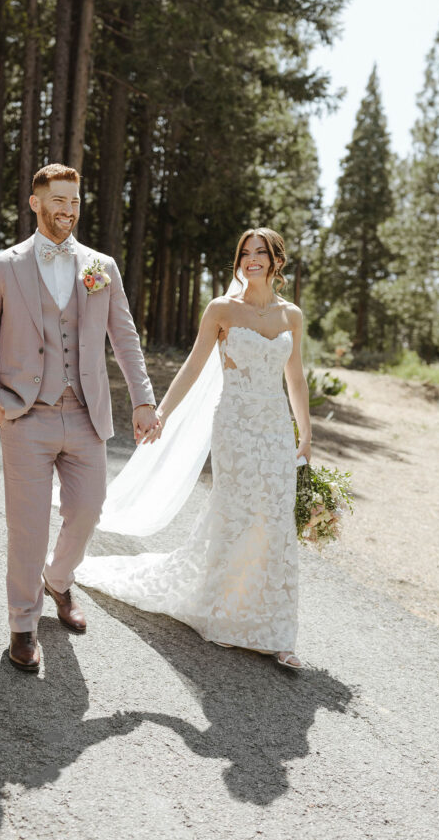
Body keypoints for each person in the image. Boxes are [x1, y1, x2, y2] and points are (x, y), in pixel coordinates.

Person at [77, 227, 311, 670]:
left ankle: (280, 634)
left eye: (261, 252)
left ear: (276, 261)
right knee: (237, 514)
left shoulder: (291, 316)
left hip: (277, 429)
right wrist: (160, 411)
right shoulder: (222, 309)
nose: (251, 259)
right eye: (245, 252)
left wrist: (306, 434)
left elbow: (295, 380)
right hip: (236, 427)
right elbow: (193, 364)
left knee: (276, 521)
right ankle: (223, 616)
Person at [0, 164, 160, 673]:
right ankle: (23, 625)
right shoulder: (3, 267)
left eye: (75, 201)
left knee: (89, 510)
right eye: (59, 200)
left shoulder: (101, 267)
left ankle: (59, 579)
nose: (68, 210)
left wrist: (143, 399)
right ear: (35, 203)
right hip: (25, 416)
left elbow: (126, 338)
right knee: (26, 526)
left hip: (86, 413)